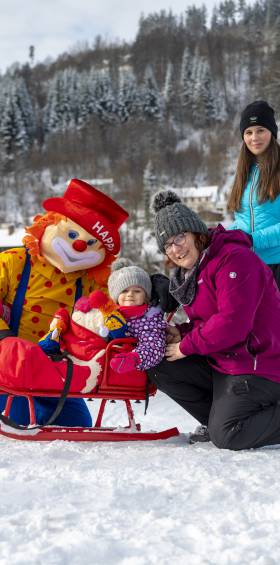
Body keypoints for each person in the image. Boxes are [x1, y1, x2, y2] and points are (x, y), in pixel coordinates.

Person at [147, 190, 280, 451]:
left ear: (196, 233)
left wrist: (187, 345)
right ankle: (220, 418)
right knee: (159, 364)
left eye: (180, 237)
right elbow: (207, 321)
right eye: (167, 245)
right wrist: (181, 333)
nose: (175, 249)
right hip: (226, 360)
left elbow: (233, 323)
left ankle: (230, 421)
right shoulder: (195, 270)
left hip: (259, 363)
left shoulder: (234, 259)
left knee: (228, 435)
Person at [0, 178, 128, 426]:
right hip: (9, 368)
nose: (78, 246)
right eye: (71, 235)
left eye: (91, 244)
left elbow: (119, 305)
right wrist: (3, 336)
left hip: (57, 370)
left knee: (78, 423)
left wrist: (146, 292)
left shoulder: (91, 282)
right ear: (48, 224)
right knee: (22, 417)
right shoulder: (14, 262)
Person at [228, 100, 280, 288]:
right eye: (248, 132)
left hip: (276, 265)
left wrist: (252, 239)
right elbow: (242, 220)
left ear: (271, 132)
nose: (254, 137)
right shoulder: (244, 173)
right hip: (248, 264)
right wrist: (225, 236)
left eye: (260, 130)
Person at [107, 258, 166, 373]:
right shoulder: (109, 315)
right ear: (115, 296)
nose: (130, 294)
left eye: (137, 291)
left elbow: (154, 346)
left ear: (146, 296)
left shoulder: (149, 319)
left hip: (131, 370)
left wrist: (134, 358)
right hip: (102, 367)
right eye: (124, 291)